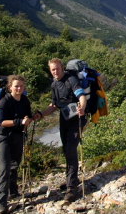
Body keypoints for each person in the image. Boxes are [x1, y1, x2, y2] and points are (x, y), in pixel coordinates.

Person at [33, 58, 87, 203]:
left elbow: (81, 95)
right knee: (66, 150)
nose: (56, 72)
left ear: (62, 68)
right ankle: (72, 179)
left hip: (77, 119)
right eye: (53, 70)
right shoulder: (54, 83)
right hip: (64, 119)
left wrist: (81, 107)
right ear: (50, 71)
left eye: (57, 69)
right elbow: (54, 105)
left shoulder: (71, 79)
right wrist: (41, 115)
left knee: (70, 149)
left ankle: (71, 188)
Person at [0, 75, 33, 214]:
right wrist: (19, 122)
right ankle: (1, 203)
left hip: (18, 135)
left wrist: (28, 119)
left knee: (14, 164)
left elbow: (27, 116)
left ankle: (13, 192)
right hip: (3, 136)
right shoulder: (5, 101)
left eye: (21, 86)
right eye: (16, 86)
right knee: (4, 168)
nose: (19, 88)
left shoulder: (24, 100)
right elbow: (1, 121)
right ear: (10, 87)